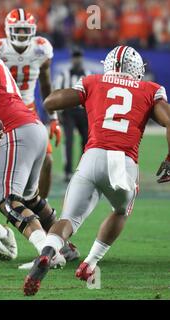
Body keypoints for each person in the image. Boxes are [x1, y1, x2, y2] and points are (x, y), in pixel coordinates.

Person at [23, 46, 170, 296]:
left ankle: (47, 254)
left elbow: (50, 101)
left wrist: (84, 95)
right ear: (137, 70)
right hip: (123, 163)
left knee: (67, 220)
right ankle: (90, 263)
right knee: (121, 211)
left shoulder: (93, 81)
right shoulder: (151, 89)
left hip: (92, 157)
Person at [0, 31, 80, 268]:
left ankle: (47, 253)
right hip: (33, 127)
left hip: (15, 131)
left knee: (7, 199)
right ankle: (63, 246)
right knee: (30, 198)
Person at [0, 8, 62, 200]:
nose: (21, 34)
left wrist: (53, 118)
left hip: (27, 110)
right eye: (18, 30)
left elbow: (46, 85)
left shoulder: (41, 48)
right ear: (8, 29)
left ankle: (41, 208)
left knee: (47, 159)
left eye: (25, 30)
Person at [54, 47, 89, 182]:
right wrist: (58, 112)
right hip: (68, 111)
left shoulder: (87, 74)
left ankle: (83, 170)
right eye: (75, 57)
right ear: (71, 59)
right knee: (69, 141)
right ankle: (68, 171)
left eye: (79, 56)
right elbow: (57, 92)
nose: (77, 59)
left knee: (86, 141)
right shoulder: (64, 75)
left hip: (83, 112)